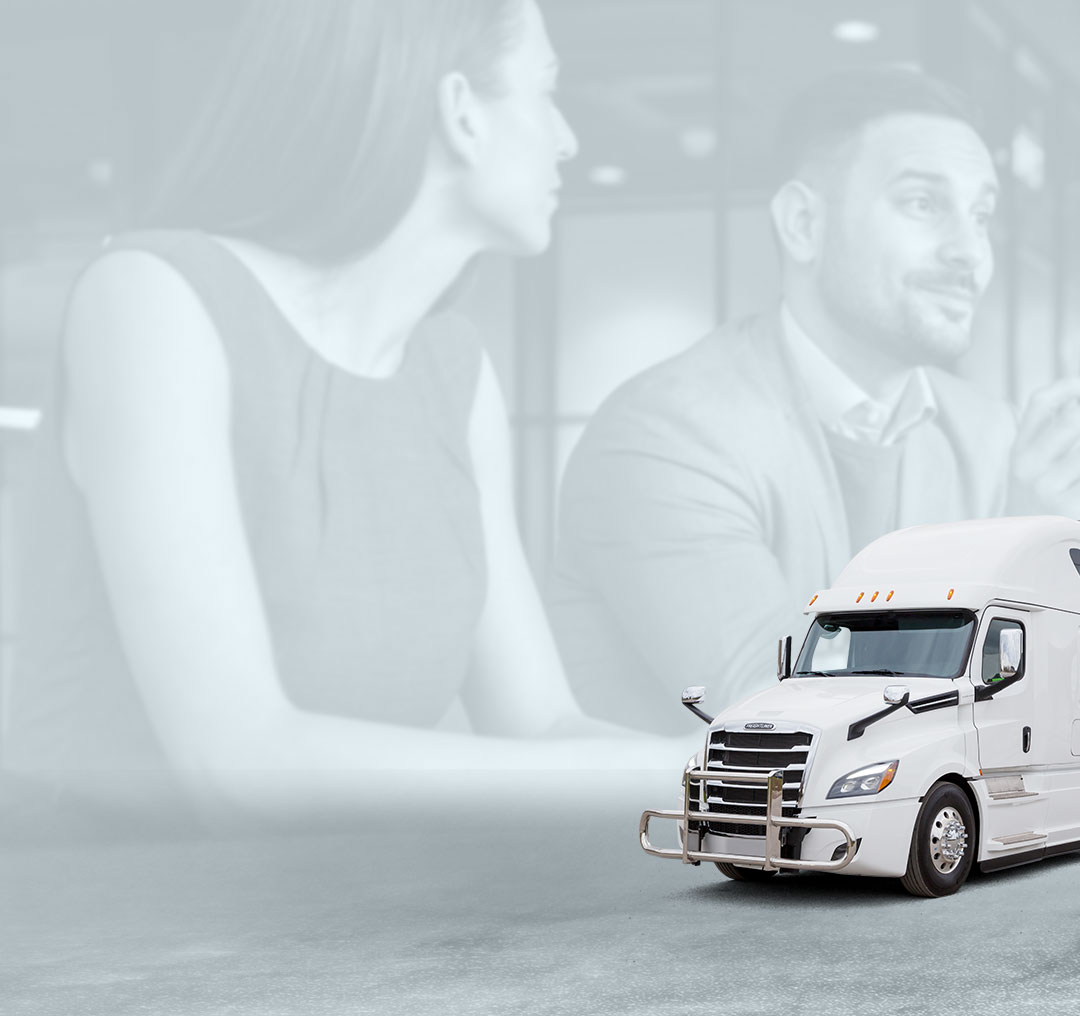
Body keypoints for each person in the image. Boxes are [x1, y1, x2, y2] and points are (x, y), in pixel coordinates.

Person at [28, 0, 680, 812]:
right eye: (544, 90)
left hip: (335, 916)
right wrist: (667, 775)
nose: (568, 137)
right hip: (105, 922)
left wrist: (737, 771)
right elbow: (238, 759)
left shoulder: (455, 373)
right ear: (461, 112)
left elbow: (539, 724)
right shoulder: (154, 299)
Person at [550, 66, 1080, 734]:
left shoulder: (988, 434)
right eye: (923, 204)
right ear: (804, 223)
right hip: (699, 833)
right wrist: (1014, 548)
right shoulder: (665, 435)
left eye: (981, 215)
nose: (971, 253)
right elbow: (776, 710)